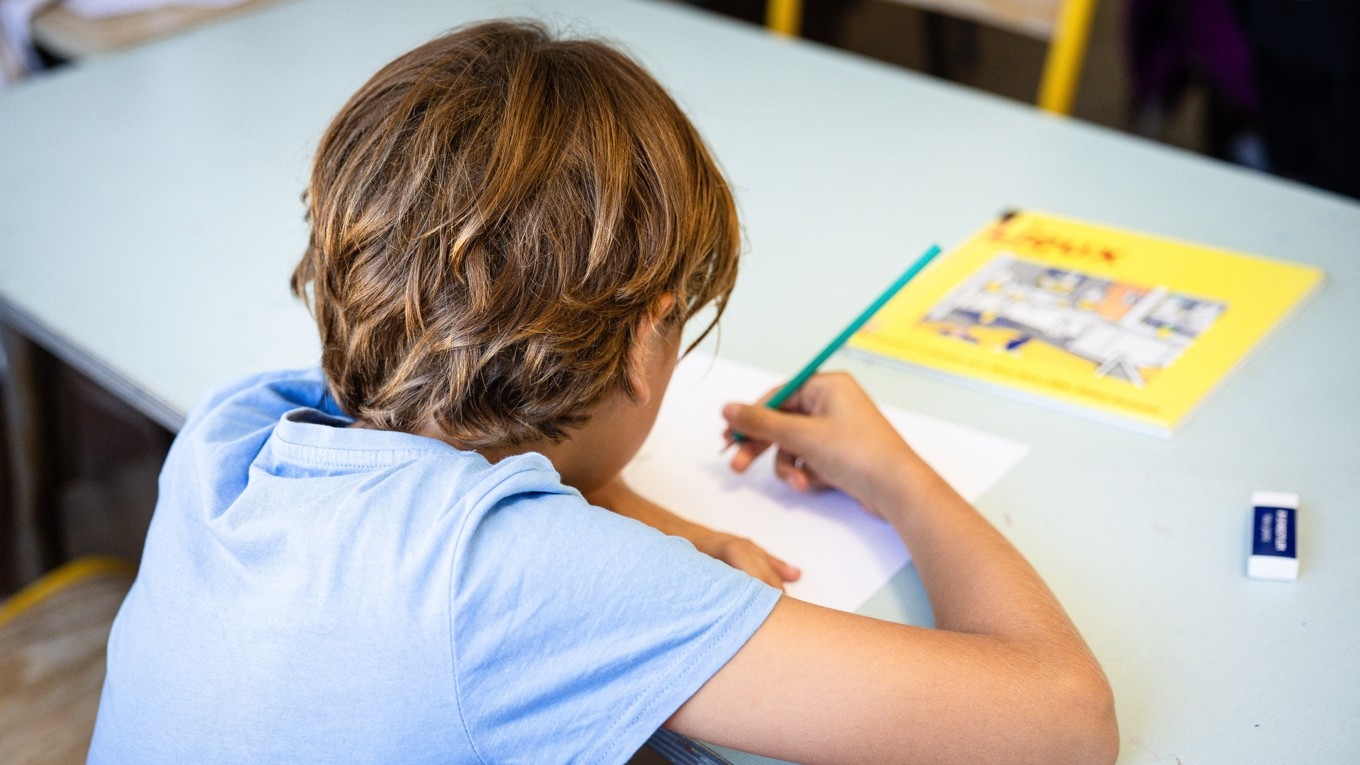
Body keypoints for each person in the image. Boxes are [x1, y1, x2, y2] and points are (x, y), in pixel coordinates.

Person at [88, 20, 1117, 764]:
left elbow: (447, 462)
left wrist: (641, 517)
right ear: (642, 340)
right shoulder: (518, 578)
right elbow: (1064, 723)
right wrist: (896, 477)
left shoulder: (241, 427)